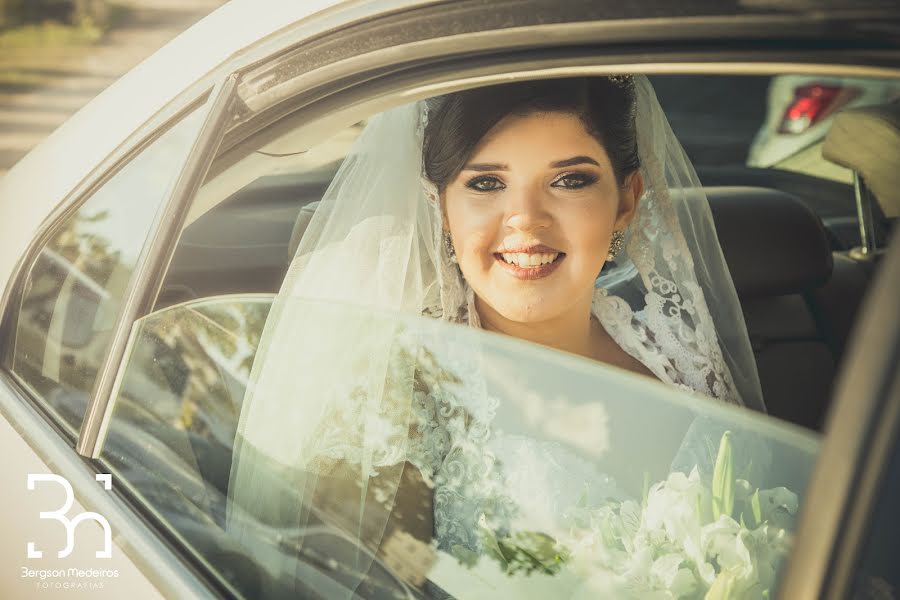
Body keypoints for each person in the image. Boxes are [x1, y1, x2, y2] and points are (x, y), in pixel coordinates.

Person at [226, 75, 768, 595]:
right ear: (440, 206)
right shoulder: (393, 405)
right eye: (486, 183)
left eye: (569, 180)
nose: (526, 221)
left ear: (627, 201)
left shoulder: (684, 359)